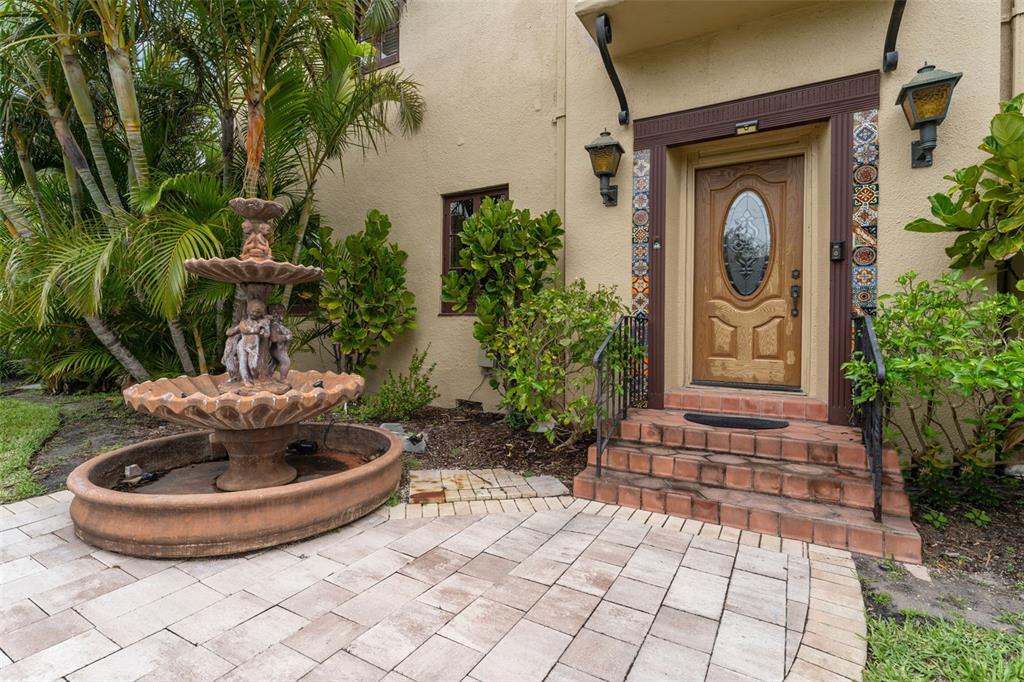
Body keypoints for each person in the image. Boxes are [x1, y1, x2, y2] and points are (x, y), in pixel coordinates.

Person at [226, 300, 270, 385]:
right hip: (242, 345)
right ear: (248, 311)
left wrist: (266, 327)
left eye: (257, 312)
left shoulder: (262, 323)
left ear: (261, 313)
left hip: (253, 346)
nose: (254, 313)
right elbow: (244, 330)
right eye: (253, 311)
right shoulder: (244, 322)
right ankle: (246, 381)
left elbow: (266, 335)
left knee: (253, 365)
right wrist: (258, 328)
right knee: (243, 363)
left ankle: (255, 379)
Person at [268, 303, 292, 381]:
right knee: (286, 362)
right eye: (281, 312)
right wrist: (286, 336)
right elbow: (274, 338)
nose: (282, 315)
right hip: (277, 349)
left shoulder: (278, 324)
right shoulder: (274, 325)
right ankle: (283, 379)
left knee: (274, 363)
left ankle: (268, 375)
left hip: (280, 348)